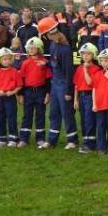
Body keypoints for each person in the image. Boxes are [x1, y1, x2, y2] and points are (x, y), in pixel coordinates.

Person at [37, 17, 79, 150]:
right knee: (54, 113)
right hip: (55, 83)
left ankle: (72, 140)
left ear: (51, 33)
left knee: (67, 113)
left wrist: (68, 91)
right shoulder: (53, 45)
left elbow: (69, 72)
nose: (46, 37)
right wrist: (46, 63)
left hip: (63, 85)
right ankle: (51, 140)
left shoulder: (65, 49)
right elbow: (56, 64)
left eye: (46, 35)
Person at [18, 37, 51, 148]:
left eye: (34, 48)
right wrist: (21, 94)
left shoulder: (45, 63)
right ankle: (23, 138)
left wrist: (47, 94)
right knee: (27, 115)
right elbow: (21, 79)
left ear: (39, 49)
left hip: (40, 92)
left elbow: (47, 80)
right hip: (28, 92)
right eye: (29, 48)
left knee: (40, 115)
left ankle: (40, 138)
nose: (31, 50)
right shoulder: (25, 63)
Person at [0, 48, 23, 148]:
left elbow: (19, 85)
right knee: (0, 117)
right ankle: (2, 138)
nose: (7, 61)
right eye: (4, 59)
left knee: (11, 118)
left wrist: (12, 92)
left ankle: (13, 138)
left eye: (9, 59)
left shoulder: (15, 72)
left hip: (10, 98)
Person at [73, 43, 101, 153]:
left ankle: (91, 144)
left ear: (93, 55)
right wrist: (75, 99)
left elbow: (90, 83)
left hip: (90, 96)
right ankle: (86, 141)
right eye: (83, 54)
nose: (85, 56)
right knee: (84, 120)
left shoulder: (96, 69)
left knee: (90, 120)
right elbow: (76, 85)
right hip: (81, 96)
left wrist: (85, 70)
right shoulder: (79, 68)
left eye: (88, 54)